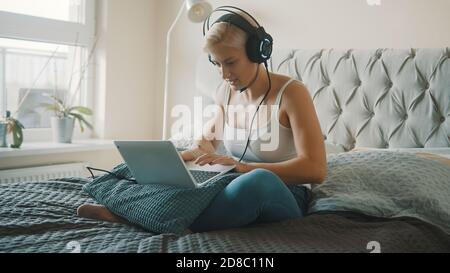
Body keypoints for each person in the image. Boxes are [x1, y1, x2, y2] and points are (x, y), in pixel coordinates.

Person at [77, 7, 327, 233]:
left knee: (258, 181)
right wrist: (176, 158)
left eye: (230, 62)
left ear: (257, 51)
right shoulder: (225, 93)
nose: (224, 74)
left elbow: (315, 169)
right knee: (167, 177)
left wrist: (243, 168)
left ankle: (137, 219)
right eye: (217, 64)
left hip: (283, 193)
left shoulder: (293, 93)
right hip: (234, 182)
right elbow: (207, 144)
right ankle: (151, 214)